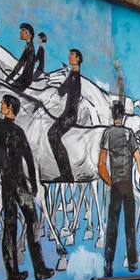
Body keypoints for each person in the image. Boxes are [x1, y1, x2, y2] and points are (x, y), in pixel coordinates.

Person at [0, 95, 51, 280]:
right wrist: (33, 183)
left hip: (7, 182)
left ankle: (12, 274)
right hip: (18, 182)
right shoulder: (17, 131)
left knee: (10, 226)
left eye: (3, 103)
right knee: (32, 221)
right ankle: (39, 269)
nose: (0, 105)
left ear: (10, 108)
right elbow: (29, 159)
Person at [99, 101, 140, 277]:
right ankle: (132, 263)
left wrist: (110, 182)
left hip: (115, 184)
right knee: (130, 226)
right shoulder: (129, 134)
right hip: (127, 184)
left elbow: (101, 166)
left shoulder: (107, 133)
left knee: (112, 227)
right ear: (123, 116)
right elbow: (139, 160)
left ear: (112, 115)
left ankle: (108, 265)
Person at [48, 49, 82, 182]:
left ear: (78, 59)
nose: (70, 57)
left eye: (72, 55)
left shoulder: (74, 76)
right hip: (67, 113)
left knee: (53, 135)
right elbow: (62, 90)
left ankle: (67, 174)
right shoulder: (72, 74)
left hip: (70, 115)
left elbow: (62, 91)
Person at [6, 23, 40, 92]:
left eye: (23, 30)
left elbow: (20, 64)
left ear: (28, 34)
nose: (20, 32)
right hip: (25, 78)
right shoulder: (29, 47)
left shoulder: (29, 48)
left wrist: (9, 77)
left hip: (24, 79)